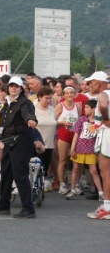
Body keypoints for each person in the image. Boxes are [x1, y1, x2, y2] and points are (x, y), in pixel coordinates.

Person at [0, 76, 38, 219]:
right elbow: (2, 123)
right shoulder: (8, 104)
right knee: (6, 173)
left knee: (20, 175)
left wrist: (31, 120)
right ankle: (3, 204)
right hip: (9, 142)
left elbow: (28, 113)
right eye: (11, 86)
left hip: (20, 142)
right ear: (8, 88)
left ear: (21, 88)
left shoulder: (24, 102)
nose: (14, 88)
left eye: (16, 86)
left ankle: (28, 208)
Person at [85, 71, 110, 219]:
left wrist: (106, 118)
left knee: (105, 172)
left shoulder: (103, 93)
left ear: (98, 83)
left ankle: (107, 207)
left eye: (91, 82)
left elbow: (104, 102)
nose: (89, 85)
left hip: (106, 134)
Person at [67, 100, 103, 200]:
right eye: (85, 107)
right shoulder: (82, 119)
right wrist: (73, 148)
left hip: (91, 150)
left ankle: (100, 192)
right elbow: (76, 134)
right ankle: (73, 190)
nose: (85, 109)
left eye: (87, 107)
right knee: (75, 169)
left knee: (94, 170)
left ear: (93, 109)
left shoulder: (98, 121)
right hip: (79, 148)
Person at [55, 86, 82, 195]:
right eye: (67, 93)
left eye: (72, 93)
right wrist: (63, 123)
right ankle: (62, 184)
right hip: (64, 133)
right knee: (63, 160)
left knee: (76, 160)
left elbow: (79, 120)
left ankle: (75, 185)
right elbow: (54, 120)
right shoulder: (60, 105)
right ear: (64, 95)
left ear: (75, 94)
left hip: (75, 134)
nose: (70, 95)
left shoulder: (78, 106)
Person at [34, 86, 57, 192]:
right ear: (39, 97)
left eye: (50, 98)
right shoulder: (33, 108)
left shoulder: (53, 110)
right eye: (46, 98)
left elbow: (56, 123)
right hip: (36, 143)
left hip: (49, 143)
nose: (48, 100)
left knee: (45, 167)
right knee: (35, 166)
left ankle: (41, 185)